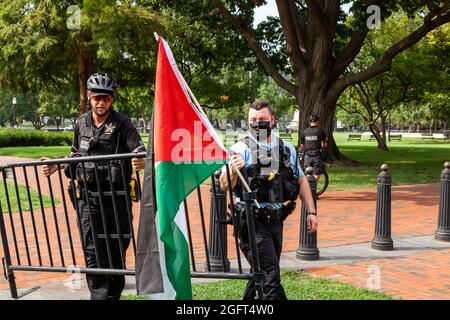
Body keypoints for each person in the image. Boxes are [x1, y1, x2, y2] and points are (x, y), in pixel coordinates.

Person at [41, 73, 145, 300]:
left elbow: (138, 149)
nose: (101, 102)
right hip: (88, 198)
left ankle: (112, 295)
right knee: (92, 248)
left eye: (106, 98)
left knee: (117, 249)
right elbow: (76, 155)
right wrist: (57, 164)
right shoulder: (80, 123)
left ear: (112, 99)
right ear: (89, 96)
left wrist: (139, 158)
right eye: (97, 97)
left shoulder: (123, 124)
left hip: (116, 198)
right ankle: (98, 297)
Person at [219, 100, 317, 300]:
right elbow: (224, 185)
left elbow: (301, 180)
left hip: (276, 221)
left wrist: (311, 211)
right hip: (251, 222)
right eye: (252, 120)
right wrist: (231, 170)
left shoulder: (285, 148)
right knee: (270, 277)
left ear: (272, 120)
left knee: (261, 274)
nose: (257, 123)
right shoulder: (240, 148)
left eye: (262, 119)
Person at [299, 114, 328, 181]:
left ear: (309, 122)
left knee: (307, 174)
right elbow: (325, 145)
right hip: (316, 156)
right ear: (317, 122)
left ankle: (308, 187)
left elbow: (302, 146)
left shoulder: (304, 132)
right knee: (316, 175)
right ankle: (313, 187)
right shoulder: (320, 132)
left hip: (307, 156)